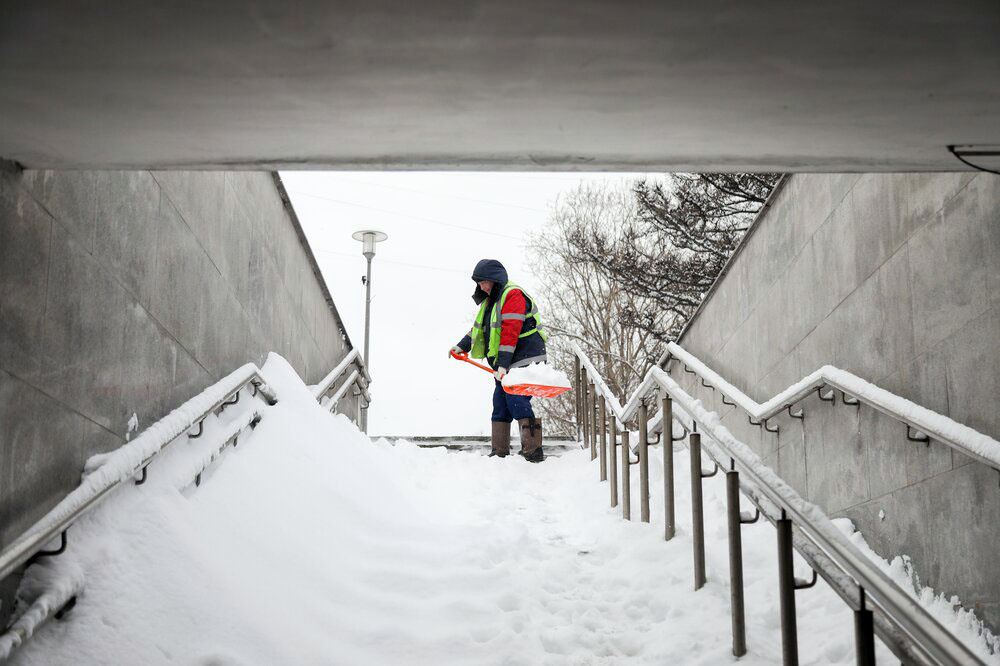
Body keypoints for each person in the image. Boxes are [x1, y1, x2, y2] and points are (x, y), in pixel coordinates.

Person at [450, 259, 547, 462]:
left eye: (485, 281)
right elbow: (479, 331)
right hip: (506, 361)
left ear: (496, 279)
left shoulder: (513, 295)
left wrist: (503, 364)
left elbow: (510, 332)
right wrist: (461, 346)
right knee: (500, 403)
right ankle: (499, 452)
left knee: (516, 398)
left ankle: (533, 450)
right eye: (479, 283)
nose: (482, 286)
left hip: (524, 355)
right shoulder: (490, 303)